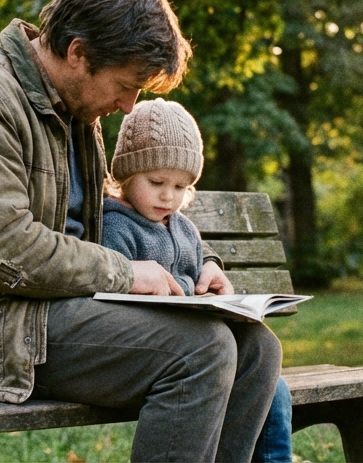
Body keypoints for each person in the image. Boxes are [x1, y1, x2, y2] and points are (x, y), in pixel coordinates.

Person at [0, 0, 282, 462]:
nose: (131, 106)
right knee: (201, 352)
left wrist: (204, 264)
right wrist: (124, 273)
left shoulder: (74, 109)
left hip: (43, 315)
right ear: (78, 53)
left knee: (257, 350)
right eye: (127, 84)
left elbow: (121, 213)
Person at [99, 98, 294, 463]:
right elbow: (114, 292)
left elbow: (195, 257)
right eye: (156, 181)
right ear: (125, 174)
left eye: (181, 186)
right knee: (250, 374)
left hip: (203, 342)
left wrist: (210, 267)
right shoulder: (116, 226)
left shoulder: (182, 227)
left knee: (268, 363)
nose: (167, 196)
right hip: (154, 351)